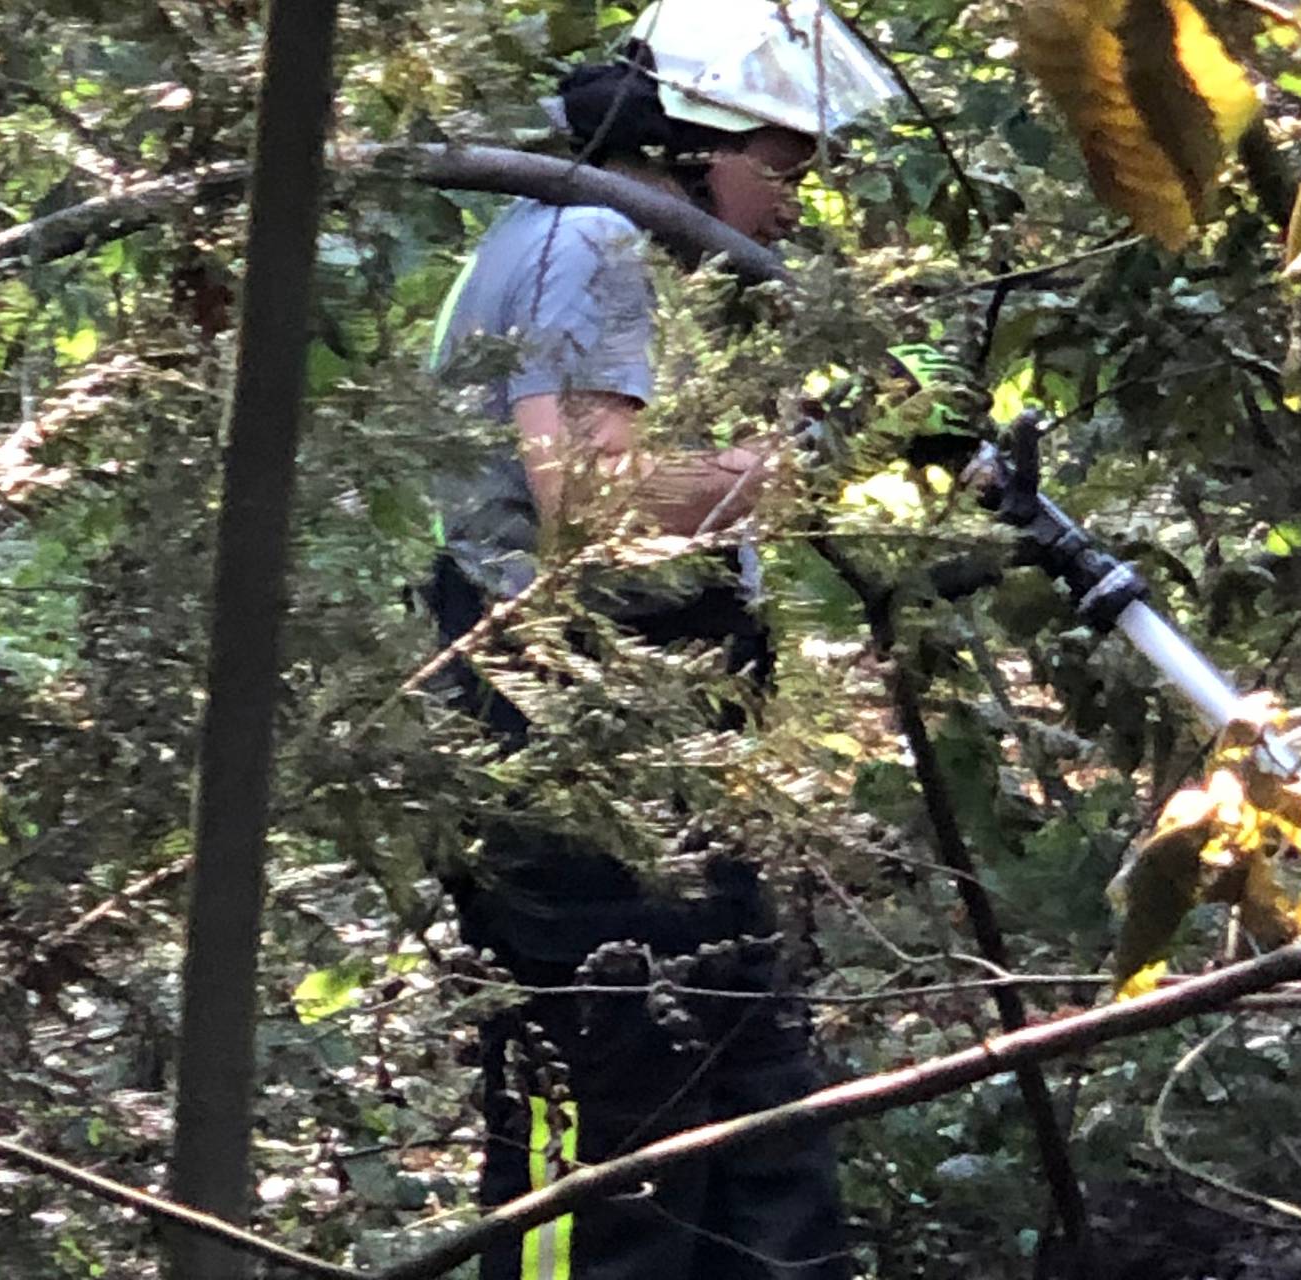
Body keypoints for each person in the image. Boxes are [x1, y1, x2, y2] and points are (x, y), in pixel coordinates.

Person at [418, 4, 901, 1278]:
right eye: (783, 164)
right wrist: (796, 468)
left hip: (656, 717)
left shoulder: (629, 248)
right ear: (696, 141)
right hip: (562, 722)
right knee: (614, 1107)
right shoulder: (587, 239)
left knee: (749, 1083)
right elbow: (590, 498)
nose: (796, 198)